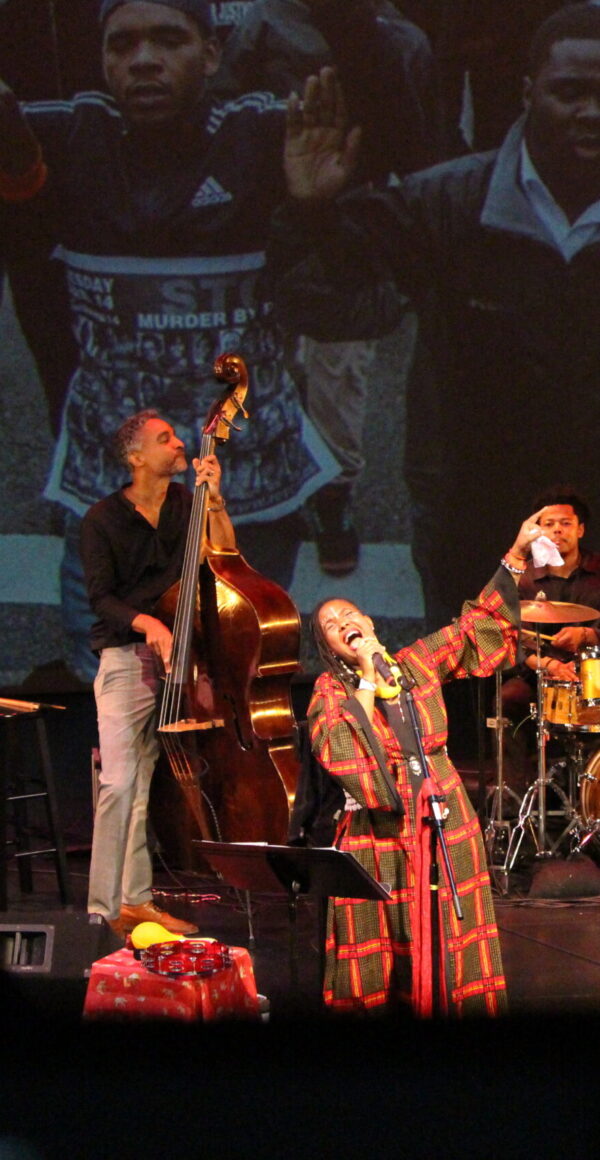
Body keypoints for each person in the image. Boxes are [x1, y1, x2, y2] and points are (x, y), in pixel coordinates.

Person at [2, 0, 402, 679]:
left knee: (223, 691)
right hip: (112, 498)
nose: (144, 59)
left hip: (247, 495)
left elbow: (387, 120)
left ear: (211, 55)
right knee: (115, 695)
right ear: (102, 61)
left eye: (168, 39)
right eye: (122, 44)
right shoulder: (71, 138)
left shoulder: (263, 136)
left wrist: (312, 210)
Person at [267, 2, 600, 630]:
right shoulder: (445, 202)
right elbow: (333, 308)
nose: (592, 112)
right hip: (470, 520)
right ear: (528, 92)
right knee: (480, 695)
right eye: (570, 91)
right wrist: (311, 214)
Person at [211, 0, 440, 576]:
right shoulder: (261, 24)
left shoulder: (398, 37)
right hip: (271, 220)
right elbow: (222, 111)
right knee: (267, 360)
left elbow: (418, 140)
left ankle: (335, 495)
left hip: (355, 227)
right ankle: (265, 482)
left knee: (341, 374)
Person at [308, 511, 545, 1016]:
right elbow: (340, 746)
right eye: (331, 625)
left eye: (350, 614)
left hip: (443, 814)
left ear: (369, 623)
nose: (344, 623)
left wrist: (518, 553)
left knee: (453, 933)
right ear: (329, 648)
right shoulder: (331, 689)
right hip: (377, 830)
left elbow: (473, 629)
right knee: (376, 942)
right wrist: (368, 678)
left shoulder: (415, 663)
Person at [81, 408, 235, 937]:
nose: (178, 446)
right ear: (136, 457)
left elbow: (225, 551)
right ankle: (101, 911)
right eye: (165, 439)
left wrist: (214, 499)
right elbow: (101, 600)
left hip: (182, 661)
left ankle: (137, 902)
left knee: (144, 787)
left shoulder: (188, 504)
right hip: (126, 662)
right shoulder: (101, 520)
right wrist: (150, 623)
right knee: (119, 783)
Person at [501, 486, 600, 793]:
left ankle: (591, 798)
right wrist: (545, 664)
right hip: (539, 673)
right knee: (506, 698)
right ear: (537, 531)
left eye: (566, 523)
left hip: (594, 672)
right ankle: (513, 796)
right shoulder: (526, 578)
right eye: (549, 524)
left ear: (580, 529)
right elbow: (510, 635)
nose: (557, 530)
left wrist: (589, 635)